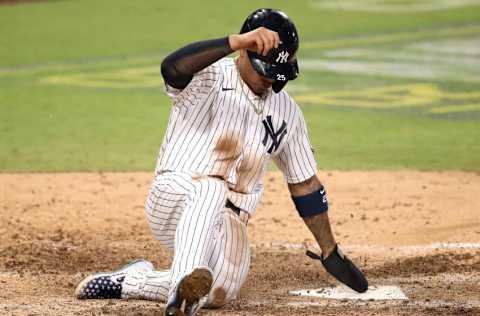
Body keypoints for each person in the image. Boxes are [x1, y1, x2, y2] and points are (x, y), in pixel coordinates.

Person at [75, 8, 368, 316]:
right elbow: (171, 68)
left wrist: (329, 248)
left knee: (220, 289)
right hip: (176, 197)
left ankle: (134, 281)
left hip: (227, 222)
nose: (270, 80)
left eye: (276, 74)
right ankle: (181, 296)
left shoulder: (288, 113)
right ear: (244, 51)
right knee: (211, 190)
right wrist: (235, 41)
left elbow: (305, 183)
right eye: (264, 70)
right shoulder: (208, 77)